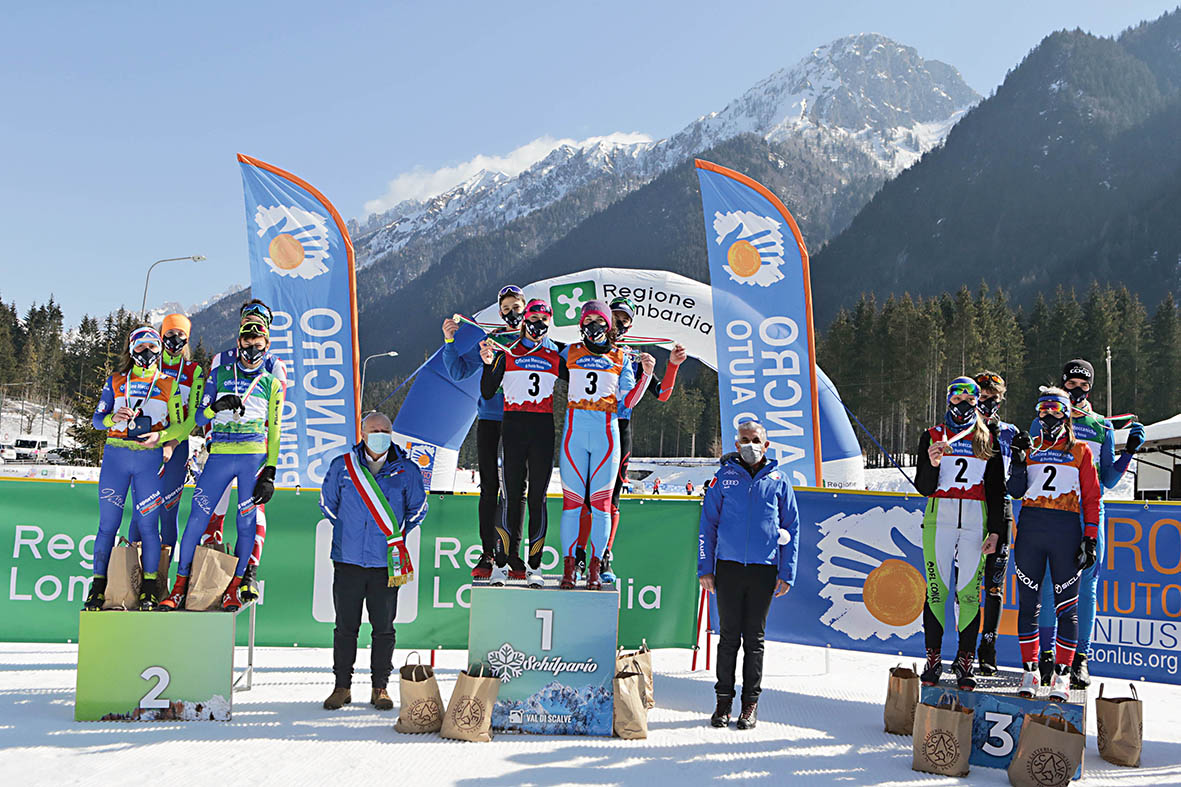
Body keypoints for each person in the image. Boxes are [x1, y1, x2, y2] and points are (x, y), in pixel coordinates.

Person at [1034, 360, 1145, 688]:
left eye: (1084, 385)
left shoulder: (1101, 426)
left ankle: (1080, 658)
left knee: (1085, 588)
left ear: (1091, 388)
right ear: (1062, 385)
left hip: (1089, 514)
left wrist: (1129, 453)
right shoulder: (1044, 418)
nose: (1077, 390)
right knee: (1050, 586)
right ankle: (1045, 656)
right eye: (1071, 384)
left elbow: (1108, 480)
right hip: (1054, 511)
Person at [161, 317, 285, 611]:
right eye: (246, 341)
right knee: (196, 520)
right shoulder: (219, 373)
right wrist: (216, 406)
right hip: (219, 456)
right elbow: (200, 418)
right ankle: (180, 586)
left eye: (258, 343)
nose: (251, 347)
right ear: (238, 341)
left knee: (246, 524)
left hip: (252, 458)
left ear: (266, 346)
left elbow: (277, 431)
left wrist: (270, 471)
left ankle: (234, 587)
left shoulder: (272, 383)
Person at [319, 411, 428, 710]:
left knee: (384, 628)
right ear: (363, 433)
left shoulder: (407, 469)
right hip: (348, 559)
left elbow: (418, 509)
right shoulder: (342, 467)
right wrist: (350, 530)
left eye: (386, 429)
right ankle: (342, 686)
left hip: (386, 563)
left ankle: (380, 687)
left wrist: (395, 536)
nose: (380, 433)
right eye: (374, 429)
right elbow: (328, 505)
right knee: (345, 627)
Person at [698, 419, 798, 730]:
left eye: (755, 439)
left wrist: (787, 571)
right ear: (736, 443)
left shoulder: (779, 480)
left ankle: (749, 705)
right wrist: (706, 569)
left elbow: (792, 527)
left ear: (766, 445)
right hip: (727, 568)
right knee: (728, 639)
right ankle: (723, 702)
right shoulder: (722, 478)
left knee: (754, 640)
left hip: (763, 570)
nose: (749, 445)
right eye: (744, 439)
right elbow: (707, 525)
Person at [1007, 387, 1103, 700]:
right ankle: (1030, 671)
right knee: (1029, 605)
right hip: (1032, 530)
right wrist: (1019, 462)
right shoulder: (1031, 446)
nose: (1048, 415)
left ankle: (1062, 674)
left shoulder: (1081, 451)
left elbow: (1092, 497)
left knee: (1067, 608)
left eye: (1055, 410)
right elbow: (1016, 491)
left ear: (1067, 414)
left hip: (1065, 531)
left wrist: (1090, 536)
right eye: (1043, 410)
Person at [913, 376, 1006, 690]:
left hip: (975, 520)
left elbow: (996, 489)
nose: (963, 404)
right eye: (957, 398)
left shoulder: (987, 437)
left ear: (977, 402)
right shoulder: (932, 435)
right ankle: (933, 659)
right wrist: (932, 462)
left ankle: (965, 660)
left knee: (968, 593)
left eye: (970, 399)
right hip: (940, 517)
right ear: (948, 400)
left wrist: (996, 531)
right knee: (937, 591)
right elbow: (924, 487)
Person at [84, 326, 185, 611]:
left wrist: (163, 438)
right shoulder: (116, 381)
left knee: (148, 527)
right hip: (116, 456)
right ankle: (98, 587)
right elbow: (96, 420)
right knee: (107, 527)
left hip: (148, 460)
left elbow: (180, 425)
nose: (148, 353)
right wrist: (111, 418)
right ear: (131, 350)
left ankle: (149, 588)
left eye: (153, 347)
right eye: (141, 347)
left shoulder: (168, 383)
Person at [559, 300, 653, 589]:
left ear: (609, 326)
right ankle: (569, 567)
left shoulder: (621, 356)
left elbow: (627, 401)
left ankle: (596, 568)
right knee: (572, 504)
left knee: (601, 505)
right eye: (588, 322)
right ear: (580, 325)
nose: (593, 328)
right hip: (574, 432)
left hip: (607, 433)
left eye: (600, 322)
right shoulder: (570, 351)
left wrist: (646, 375)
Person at [199, 299, 288, 600]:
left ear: (268, 330)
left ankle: (249, 573)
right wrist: (209, 438)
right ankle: (211, 570)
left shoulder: (275, 365)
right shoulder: (221, 358)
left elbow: (275, 414)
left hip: (254, 448)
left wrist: (269, 463)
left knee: (252, 509)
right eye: (248, 320)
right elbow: (209, 402)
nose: (253, 326)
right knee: (214, 509)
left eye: (260, 321)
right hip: (221, 446)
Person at [594, 296, 686, 583]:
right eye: (615, 317)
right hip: (588, 426)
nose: (618, 324)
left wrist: (671, 366)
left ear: (631, 325)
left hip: (620, 429)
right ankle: (580, 556)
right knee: (586, 498)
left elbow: (662, 394)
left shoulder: (634, 357)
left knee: (611, 498)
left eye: (624, 320)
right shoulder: (587, 348)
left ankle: (605, 556)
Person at [479, 298, 564, 587]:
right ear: (524, 319)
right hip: (513, 427)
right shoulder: (507, 353)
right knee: (509, 497)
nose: (538, 325)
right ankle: (500, 566)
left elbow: (583, 376)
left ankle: (534, 567)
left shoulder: (555, 355)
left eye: (544, 321)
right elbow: (488, 391)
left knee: (538, 499)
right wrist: (488, 363)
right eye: (534, 319)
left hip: (542, 430)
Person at [441, 285, 525, 579]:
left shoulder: (535, 341)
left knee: (517, 489)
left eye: (516, 308)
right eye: (506, 310)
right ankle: (488, 551)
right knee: (490, 486)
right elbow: (459, 371)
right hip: (490, 418)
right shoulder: (493, 341)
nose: (512, 313)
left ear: (526, 308)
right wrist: (450, 341)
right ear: (500, 313)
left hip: (522, 420)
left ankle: (514, 552)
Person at [127, 314, 204, 597]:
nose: (173, 342)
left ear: (186, 340)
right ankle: (132, 581)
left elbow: (192, 416)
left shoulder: (193, 370)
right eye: (168, 336)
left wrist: (171, 442)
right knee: (141, 512)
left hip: (175, 445)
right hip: (146, 445)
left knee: (168, 515)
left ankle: (160, 583)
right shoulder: (148, 364)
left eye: (179, 337)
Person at [972, 371, 1018, 676]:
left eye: (993, 398)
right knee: (967, 585)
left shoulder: (1010, 432)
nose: (987, 402)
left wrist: (1025, 454)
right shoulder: (961, 428)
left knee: (994, 587)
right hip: (968, 510)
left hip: (1000, 512)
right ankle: (964, 647)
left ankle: (988, 647)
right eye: (982, 397)